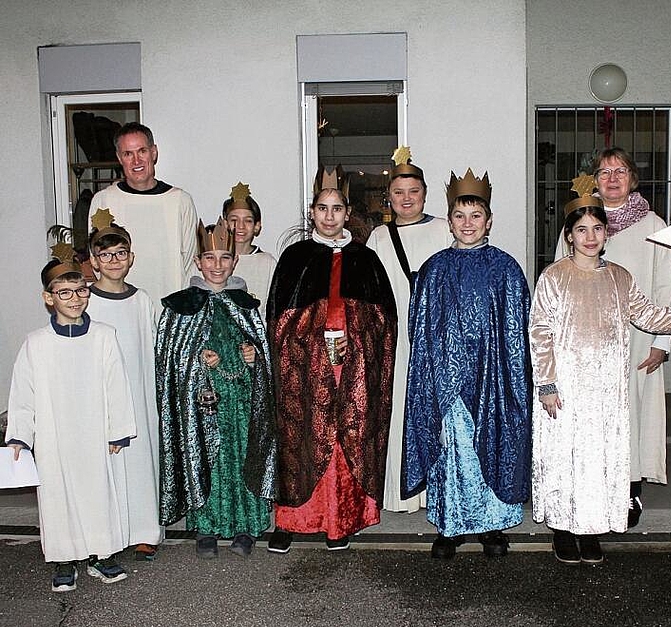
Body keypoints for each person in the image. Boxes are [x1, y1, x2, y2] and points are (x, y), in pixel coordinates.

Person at [532, 187, 671, 565]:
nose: (590, 237)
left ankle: (590, 529)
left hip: (606, 389)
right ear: (569, 235)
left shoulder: (620, 278)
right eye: (582, 229)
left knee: (597, 458)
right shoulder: (554, 277)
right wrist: (548, 384)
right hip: (567, 387)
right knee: (566, 457)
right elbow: (540, 333)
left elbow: (650, 315)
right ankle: (564, 530)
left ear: (606, 233)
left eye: (598, 229)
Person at [403, 169, 532, 560]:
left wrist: (511, 377)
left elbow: (517, 327)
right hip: (447, 379)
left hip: (493, 375)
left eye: (476, 216)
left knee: (491, 443)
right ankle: (451, 525)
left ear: (489, 221)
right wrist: (432, 374)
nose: (468, 223)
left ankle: (492, 526)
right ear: (449, 221)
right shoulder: (434, 269)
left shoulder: (506, 269)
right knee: (454, 447)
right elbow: (420, 328)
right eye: (460, 216)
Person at [266, 170, 396, 553]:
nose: (329, 215)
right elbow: (277, 320)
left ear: (348, 212)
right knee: (300, 436)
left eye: (336, 208)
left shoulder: (366, 260)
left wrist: (354, 335)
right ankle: (291, 519)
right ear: (311, 212)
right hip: (305, 367)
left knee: (344, 439)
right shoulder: (295, 258)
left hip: (353, 367)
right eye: (322, 208)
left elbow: (386, 321)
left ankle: (339, 520)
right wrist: (315, 333)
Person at [555, 149, 671, 528]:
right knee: (592, 416)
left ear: (632, 178)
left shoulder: (654, 225)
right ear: (594, 179)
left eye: (619, 171)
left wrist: (662, 342)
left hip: (638, 339)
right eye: (604, 171)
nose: (611, 178)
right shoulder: (579, 222)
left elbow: (665, 286)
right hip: (586, 343)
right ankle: (592, 486)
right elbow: (560, 280)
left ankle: (629, 490)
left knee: (633, 413)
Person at [6, 258, 136, 591]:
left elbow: (116, 384)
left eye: (80, 291)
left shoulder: (104, 337)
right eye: (65, 293)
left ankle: (100, 555)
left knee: (97, 492)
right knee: (57, 494)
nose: (76, 299)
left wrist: (117, 429)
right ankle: (64, 559)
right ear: (49, 298)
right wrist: (20, 436)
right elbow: (23, 392)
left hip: (93, 432)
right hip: (54, 434)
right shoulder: (36, 343)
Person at [156, 220, 278, 558]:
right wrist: (197, 362)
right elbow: (170, 363)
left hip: (240, 403)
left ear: (234, 261)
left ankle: (246, 525)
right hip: (202, 404)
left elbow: (266, 358)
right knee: (206, 459)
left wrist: (254, 360)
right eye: (209, 258)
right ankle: (205, 527)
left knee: (242, 459)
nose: (217, 265)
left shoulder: (247, 306)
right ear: (198, 262)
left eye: (225, 257)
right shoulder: (180, 307)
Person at [366, 147, 451, 513]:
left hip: (436, 334)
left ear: (424, 194)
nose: (406, 199)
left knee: (436, 408)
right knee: (398, 406)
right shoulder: (379, 238)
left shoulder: (445, 228)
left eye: (412, 191)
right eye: (398, 192)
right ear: (389, 197)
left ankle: (437, 491)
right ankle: (400, 492)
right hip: (396, 336)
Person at [87, 210, 162, 560]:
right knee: (106, 466)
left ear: (131, 257)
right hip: (102, 396)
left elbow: (153, 346)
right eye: (105, 255)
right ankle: (108, 533)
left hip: (139, 392)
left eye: (120, 253)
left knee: (141, 460)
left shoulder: (141, 300)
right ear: (93, 261)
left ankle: (145, 530)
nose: (114, 260)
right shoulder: (85, 302)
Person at [88, 122, 198, 306]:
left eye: (142, 151)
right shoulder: (104, 201)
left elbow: (189, 260)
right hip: (121, 305)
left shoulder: (180, 200)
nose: (136, 161)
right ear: (119, 158)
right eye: (128, 154)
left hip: (170, 305)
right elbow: (99, 259)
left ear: (154, 153)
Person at [222, 181, 277, 314]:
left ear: (257, 226)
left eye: (248, 221)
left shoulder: (268, 263)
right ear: (224, 224)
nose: (240, 226)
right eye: (234, 220)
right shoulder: (211, 261)